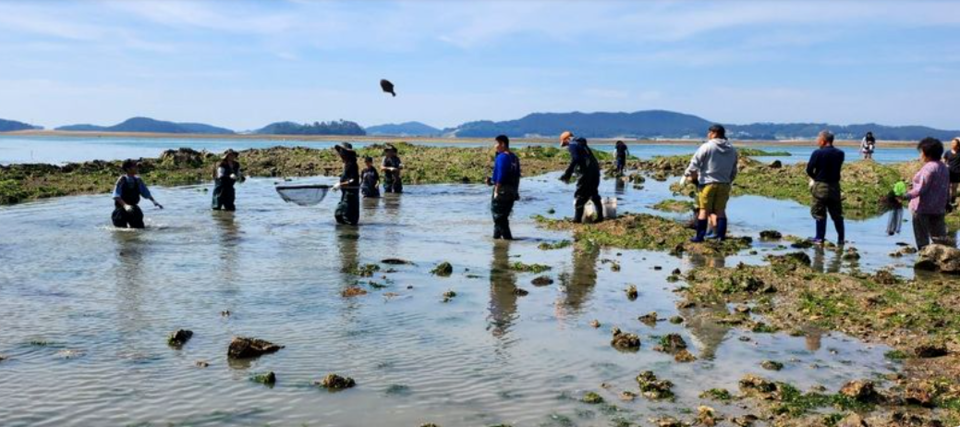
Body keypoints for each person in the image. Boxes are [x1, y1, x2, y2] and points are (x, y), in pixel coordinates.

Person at [683, 124, 738, 242]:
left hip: (708, 183)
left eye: (709, 132)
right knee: (720, 211)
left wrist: (688, 175)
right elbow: (734, 169)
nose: (708, 135)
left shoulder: (707, 146)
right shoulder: (732, 149)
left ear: (714, 133)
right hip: (724, 184)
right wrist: (729, 180)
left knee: (704, 210)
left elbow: (694, 163)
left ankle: (699, 237)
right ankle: (721, 237)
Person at [901, 137, 950, 250]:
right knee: (940, 239)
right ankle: (942, 257)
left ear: (927, 153)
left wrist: (905, 196)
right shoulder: (944, 167)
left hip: (922, 208)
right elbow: (946, 187)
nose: (920, 155)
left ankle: (924, 257)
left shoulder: (928, 168)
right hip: (939, 208)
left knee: (922, 240)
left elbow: (920, 189)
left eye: (921, 152)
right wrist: (947, 202)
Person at [806, 130, 845, 246]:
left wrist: (816, 178)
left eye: (818, 139)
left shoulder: (817, 153)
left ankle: (819, 238)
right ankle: (841, 239)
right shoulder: (840, 153)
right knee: (837, 214)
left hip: (821, 186)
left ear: (823, 141)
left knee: (819, 212)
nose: (817, 141)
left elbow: (809, 170)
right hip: (834, 186)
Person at [559, 131, 603, 223]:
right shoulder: (583, 145)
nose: (566, 145)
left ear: (567, 139)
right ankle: (600, 217)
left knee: (580, 194)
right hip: (595, 171)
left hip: (585, 172)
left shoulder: (572, 144)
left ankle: (577, 219)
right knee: (593, 193)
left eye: (565, 143)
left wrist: (568, 173)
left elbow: (576, 159)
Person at [487, 135, 521, 240]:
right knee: (502, 217)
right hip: (512, 191)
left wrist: (497, 190)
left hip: (502, 191)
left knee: (499, 218)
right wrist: (516, 192)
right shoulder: (514, 157)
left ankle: (508, 240)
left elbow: (501, 175)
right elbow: (516, 176)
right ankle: (496, 240)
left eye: (497, 143)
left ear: (502, 144)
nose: (495, 146)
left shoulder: (502, 157)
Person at [112, 159, 163, 228]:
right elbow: (116, 196)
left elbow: (146, 193)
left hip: (133, 208)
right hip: (121, 209)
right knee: (121, 230)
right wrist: (125, 206)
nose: (137, 168)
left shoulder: (138, 180)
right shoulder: (122, 180)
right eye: (134, 166)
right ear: (128, 169)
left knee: (140, 229)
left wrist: (154, 201)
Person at [334, 142, 360, 225]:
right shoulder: (346, 164)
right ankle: (343, 231)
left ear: (347, 153)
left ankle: (350, 231)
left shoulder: (352, 164)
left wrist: (340, 185)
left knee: (347, 217)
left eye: (342, 151)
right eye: (340, 151)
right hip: (345, 194)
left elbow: (353, 180)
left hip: (350, 195)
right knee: (339, 214)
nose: (340, 153)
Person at [942, 137, 960, 204]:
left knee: (954, 188)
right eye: (952, 143)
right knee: (947, 187)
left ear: (958, 145)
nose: (952, 144)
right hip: (948, 172)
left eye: (954, 143)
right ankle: (946, 201)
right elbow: (944, 160)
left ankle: (953, 201)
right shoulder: (947, 152)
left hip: (957, 173)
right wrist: (945, 165)